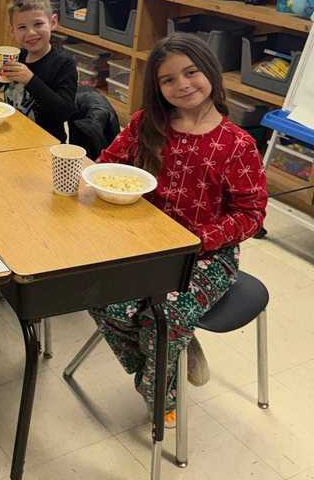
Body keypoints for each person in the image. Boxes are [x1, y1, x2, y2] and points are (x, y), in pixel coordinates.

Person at [90, 33, 267, 426]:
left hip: (209, 256)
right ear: (157, 87)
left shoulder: (237, 144)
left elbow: (252, 213)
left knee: (165, 316)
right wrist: (88, 181)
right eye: (168, 79)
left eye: (191, 72)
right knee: (99, 297)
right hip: (145, 244)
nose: (182, 84)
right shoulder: (146, 124)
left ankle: (160, 396)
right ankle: (169, 355)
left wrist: (201, 239)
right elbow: (108, 164)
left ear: (210, 71)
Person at [0, 0, 77, 141]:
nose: (30, 32)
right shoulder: (18, 57)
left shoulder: (64, 64)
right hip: (13, 134)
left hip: (46, 142)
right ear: (13, 31)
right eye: (22, 27)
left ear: (53, 22)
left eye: (38, 24)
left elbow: (64, 112)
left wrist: (30, 80)